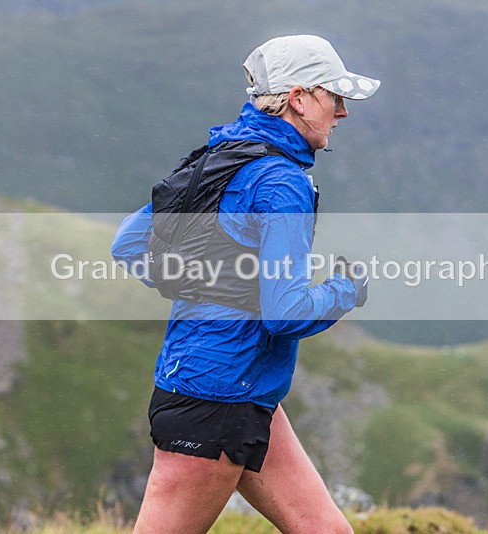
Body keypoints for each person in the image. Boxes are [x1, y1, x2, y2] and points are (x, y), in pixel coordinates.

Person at [111, 34, 379, 533]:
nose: (341, 111)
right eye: (332, 95)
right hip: (211, 401)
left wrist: (214, 285)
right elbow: (285, 313)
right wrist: (346, 289)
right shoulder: (282, 182)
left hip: (247, 394)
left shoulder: (217, 159)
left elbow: (128, 244)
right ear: (298, 99)